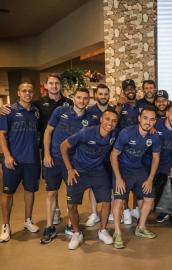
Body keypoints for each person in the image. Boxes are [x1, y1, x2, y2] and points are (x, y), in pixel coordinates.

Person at [0, 74, 73, 226]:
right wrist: (2, 107)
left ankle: (67, 218)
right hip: (45, 151)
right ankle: (55, 210)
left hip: (61, 151)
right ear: (46, 86)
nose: (54, 86)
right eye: (51, 83)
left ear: (60, 85)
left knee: (66, 185)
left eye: (57, 83)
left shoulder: (68, 103)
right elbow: (5, 127)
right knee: (52, 187)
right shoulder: (38, 104)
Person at [60, 109, 119, 250]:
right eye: (107, 119)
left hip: (98, 171)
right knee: (71, 206)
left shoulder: (115, 134)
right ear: (101, 120)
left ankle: (103, 230)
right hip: (79, 171)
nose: (110, 123)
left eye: (114, 120)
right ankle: (76, 233)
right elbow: (63, 146)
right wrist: (70, 169)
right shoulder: (86, 132)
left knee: (106, 202)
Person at [40, 88, 92, 243]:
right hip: (54, 159)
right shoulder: (60, 111)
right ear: (73, 98)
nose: (81, 101)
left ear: (88, 100)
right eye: (79, 97)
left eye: (85, 98)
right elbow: (48, 132)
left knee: (72, 196)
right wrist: (47, 154)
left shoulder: (91, 117)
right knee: (51, 193)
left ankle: (71, 224)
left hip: (74, 163)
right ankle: (49, 227)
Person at [110, 106, 160, 249]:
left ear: (155, 121)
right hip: (122, 170)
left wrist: (150, 179)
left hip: (138, 169)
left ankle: (141, 227)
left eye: (151, 119)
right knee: (119, 201)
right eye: (145, 118)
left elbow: (156, 158)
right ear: (139, 118)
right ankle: (118, 233)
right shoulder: (126, 133)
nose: (148, 122)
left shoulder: (154, 136)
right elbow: (113, 155)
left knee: (150, 197)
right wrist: (118, 178)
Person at [0, 83, 40, 243]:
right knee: (7, 194)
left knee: (30, 191)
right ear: (18, 93)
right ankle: (5, 226)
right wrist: (7, 156)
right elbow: (2, 135)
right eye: (24, 91)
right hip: (13, 161)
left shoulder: (36, 112)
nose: (28, 93)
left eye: (30, 91)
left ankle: (28, 220)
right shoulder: (8, 111)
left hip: (32, 161)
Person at [85, 84, 116, 227]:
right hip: (92, 155)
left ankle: (107, 211)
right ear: (95, 95)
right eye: (101, 94)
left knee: (108, 184)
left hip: (109, 154)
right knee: (92, 185)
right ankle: (93, 213)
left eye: (106, 94)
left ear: (109, 95)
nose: (103, 96)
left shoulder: (114, 111)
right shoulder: (88, 111)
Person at [115, 79, 142, 224]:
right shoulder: (120, 106)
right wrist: (119, 104)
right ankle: (125, 211)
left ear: (136, 90)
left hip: (139, 149)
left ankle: (135, 208)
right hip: (124, 149)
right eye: (127, 89)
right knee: (124, 182)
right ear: (123, 91)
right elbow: (114, 121)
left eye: (132, 88)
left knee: (137, 181)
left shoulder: (141, 105)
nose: (130, 91)